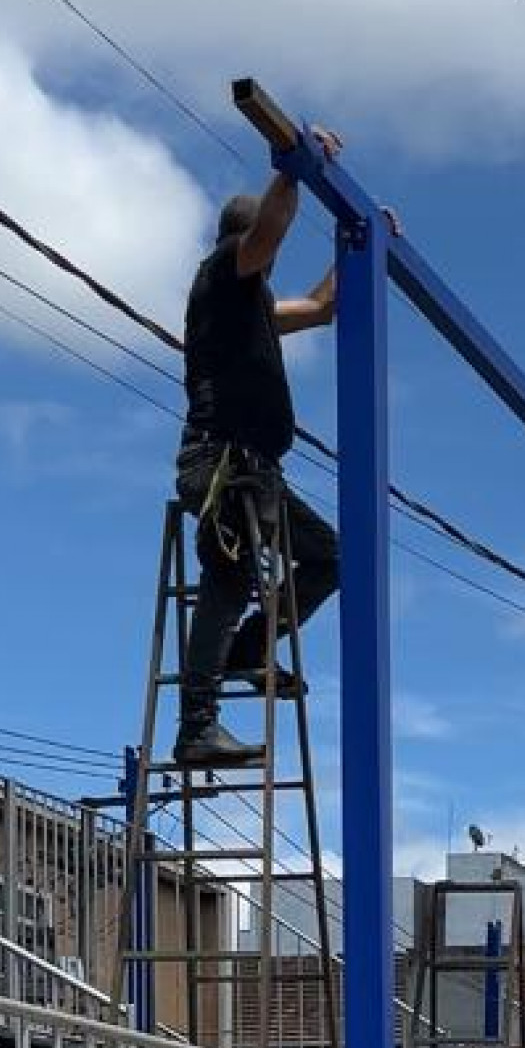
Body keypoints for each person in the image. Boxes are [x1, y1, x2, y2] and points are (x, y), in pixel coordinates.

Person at [173, 127, 344, 768]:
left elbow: (325, 308)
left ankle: (250, 648)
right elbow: (267, 234)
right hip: (220, 464)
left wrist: (362, 239)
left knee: (329, 557)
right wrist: (293, 172)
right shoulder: (222, 273)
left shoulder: (252, 305)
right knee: (231, 575)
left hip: (255, 472)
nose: (270, 260)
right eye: (264, 250)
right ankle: (196, 727)